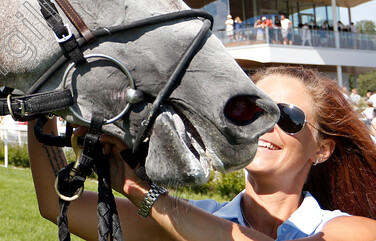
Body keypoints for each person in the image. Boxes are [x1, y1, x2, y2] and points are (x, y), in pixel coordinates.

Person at [28, 66, 376, 240]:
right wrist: (38, 96)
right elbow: (57, 206)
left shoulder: (349, 230)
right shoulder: (190, 217)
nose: (265, 127)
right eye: (253, 111)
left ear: (323, 150)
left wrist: (149, 197)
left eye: (288, 118)